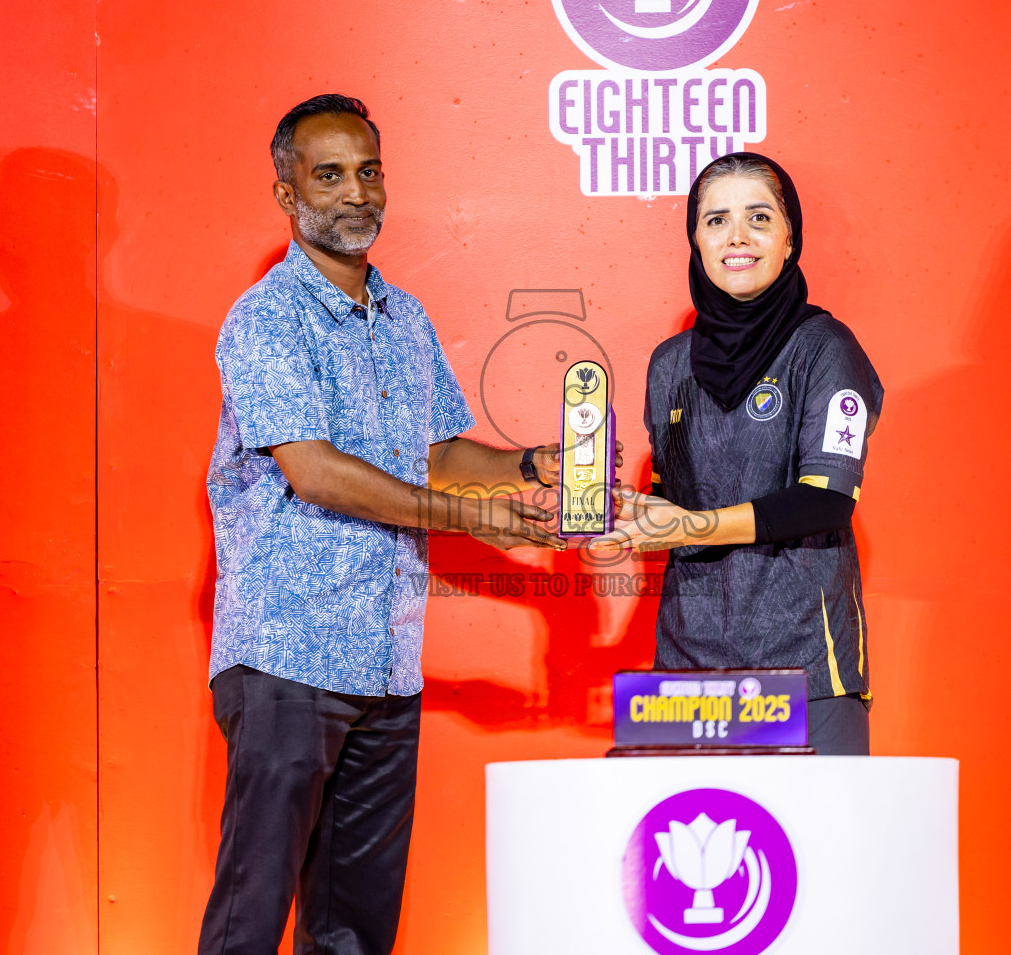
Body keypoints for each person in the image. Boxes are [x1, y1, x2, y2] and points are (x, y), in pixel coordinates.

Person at [200, 94, 572, 955]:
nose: (355, 193)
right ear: (287, 193)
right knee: (249, 919)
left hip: (385, 664)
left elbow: (436, 453)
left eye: (368, 172)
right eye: (329, 175)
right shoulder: (266, 318)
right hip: (288, 656)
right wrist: (474, 523)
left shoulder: (406, 318)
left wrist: (527, 466)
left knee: (356, 933)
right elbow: (317, 472)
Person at [592, 152, 883, 755]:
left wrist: (689, 526)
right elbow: (675, 502)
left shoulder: (826, 348)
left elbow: (825, 501)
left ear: (789, 238)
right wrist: (629, 513)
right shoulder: (670, 364)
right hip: (685, 674)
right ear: (695, 239)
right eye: (716, 220)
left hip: (806, 668)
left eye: (759, 217)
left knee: (815, 822)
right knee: (683, 819)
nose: (737, 237)